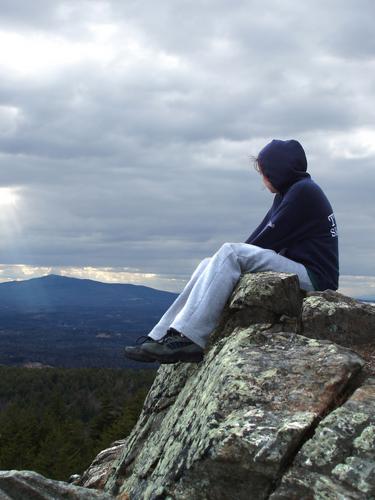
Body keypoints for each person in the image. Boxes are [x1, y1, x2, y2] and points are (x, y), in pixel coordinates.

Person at [124, 139, 339, 364]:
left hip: (316, 277)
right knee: (211, 262)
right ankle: (161, 334)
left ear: (278, 172)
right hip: (301, 267)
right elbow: (261, 238)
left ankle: (190, 338)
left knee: (230, 253)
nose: (263, 179)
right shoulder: (291, 192)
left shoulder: (302, 192)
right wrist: (225, 262)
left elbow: (265, 240)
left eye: (265, 173)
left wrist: (233, 259)